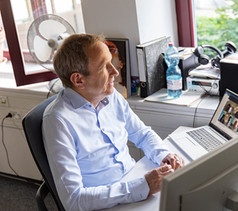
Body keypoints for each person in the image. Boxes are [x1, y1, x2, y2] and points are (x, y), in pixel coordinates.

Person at [42, 33, 184, 211]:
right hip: (103, 203)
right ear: (79, 79)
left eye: (111, 61)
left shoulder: (111, 96)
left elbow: (142, 134)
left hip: (132, 182)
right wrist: (141, 186)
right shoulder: (58, 121)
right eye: (104, 66)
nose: (115, 71)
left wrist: (164, 155)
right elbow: (73, 200)